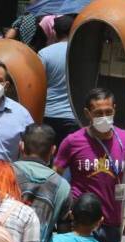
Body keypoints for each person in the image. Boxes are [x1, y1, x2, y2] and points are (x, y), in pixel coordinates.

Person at [54, 87, 125, 242]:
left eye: (108, 112)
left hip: (111, 223)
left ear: (115, 109)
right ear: (87, 114)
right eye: (98, 113)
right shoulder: (72, 141)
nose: (104, 117)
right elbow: (55, 176)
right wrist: (60, 209)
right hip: (78, 222)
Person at [38, 15, 79, 148]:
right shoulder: (81, 53)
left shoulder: (44, 54)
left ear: (54, 32)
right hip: (73, 115)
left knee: (47, 157)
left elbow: (38, 84)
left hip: (48, 114)